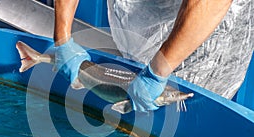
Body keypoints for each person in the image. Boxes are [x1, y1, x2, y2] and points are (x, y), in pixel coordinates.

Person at [52, 0, 234, 112]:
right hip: (135, 49)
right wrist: (62, 39)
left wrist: (158, 72)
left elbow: (211, 3)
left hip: (199, 52)